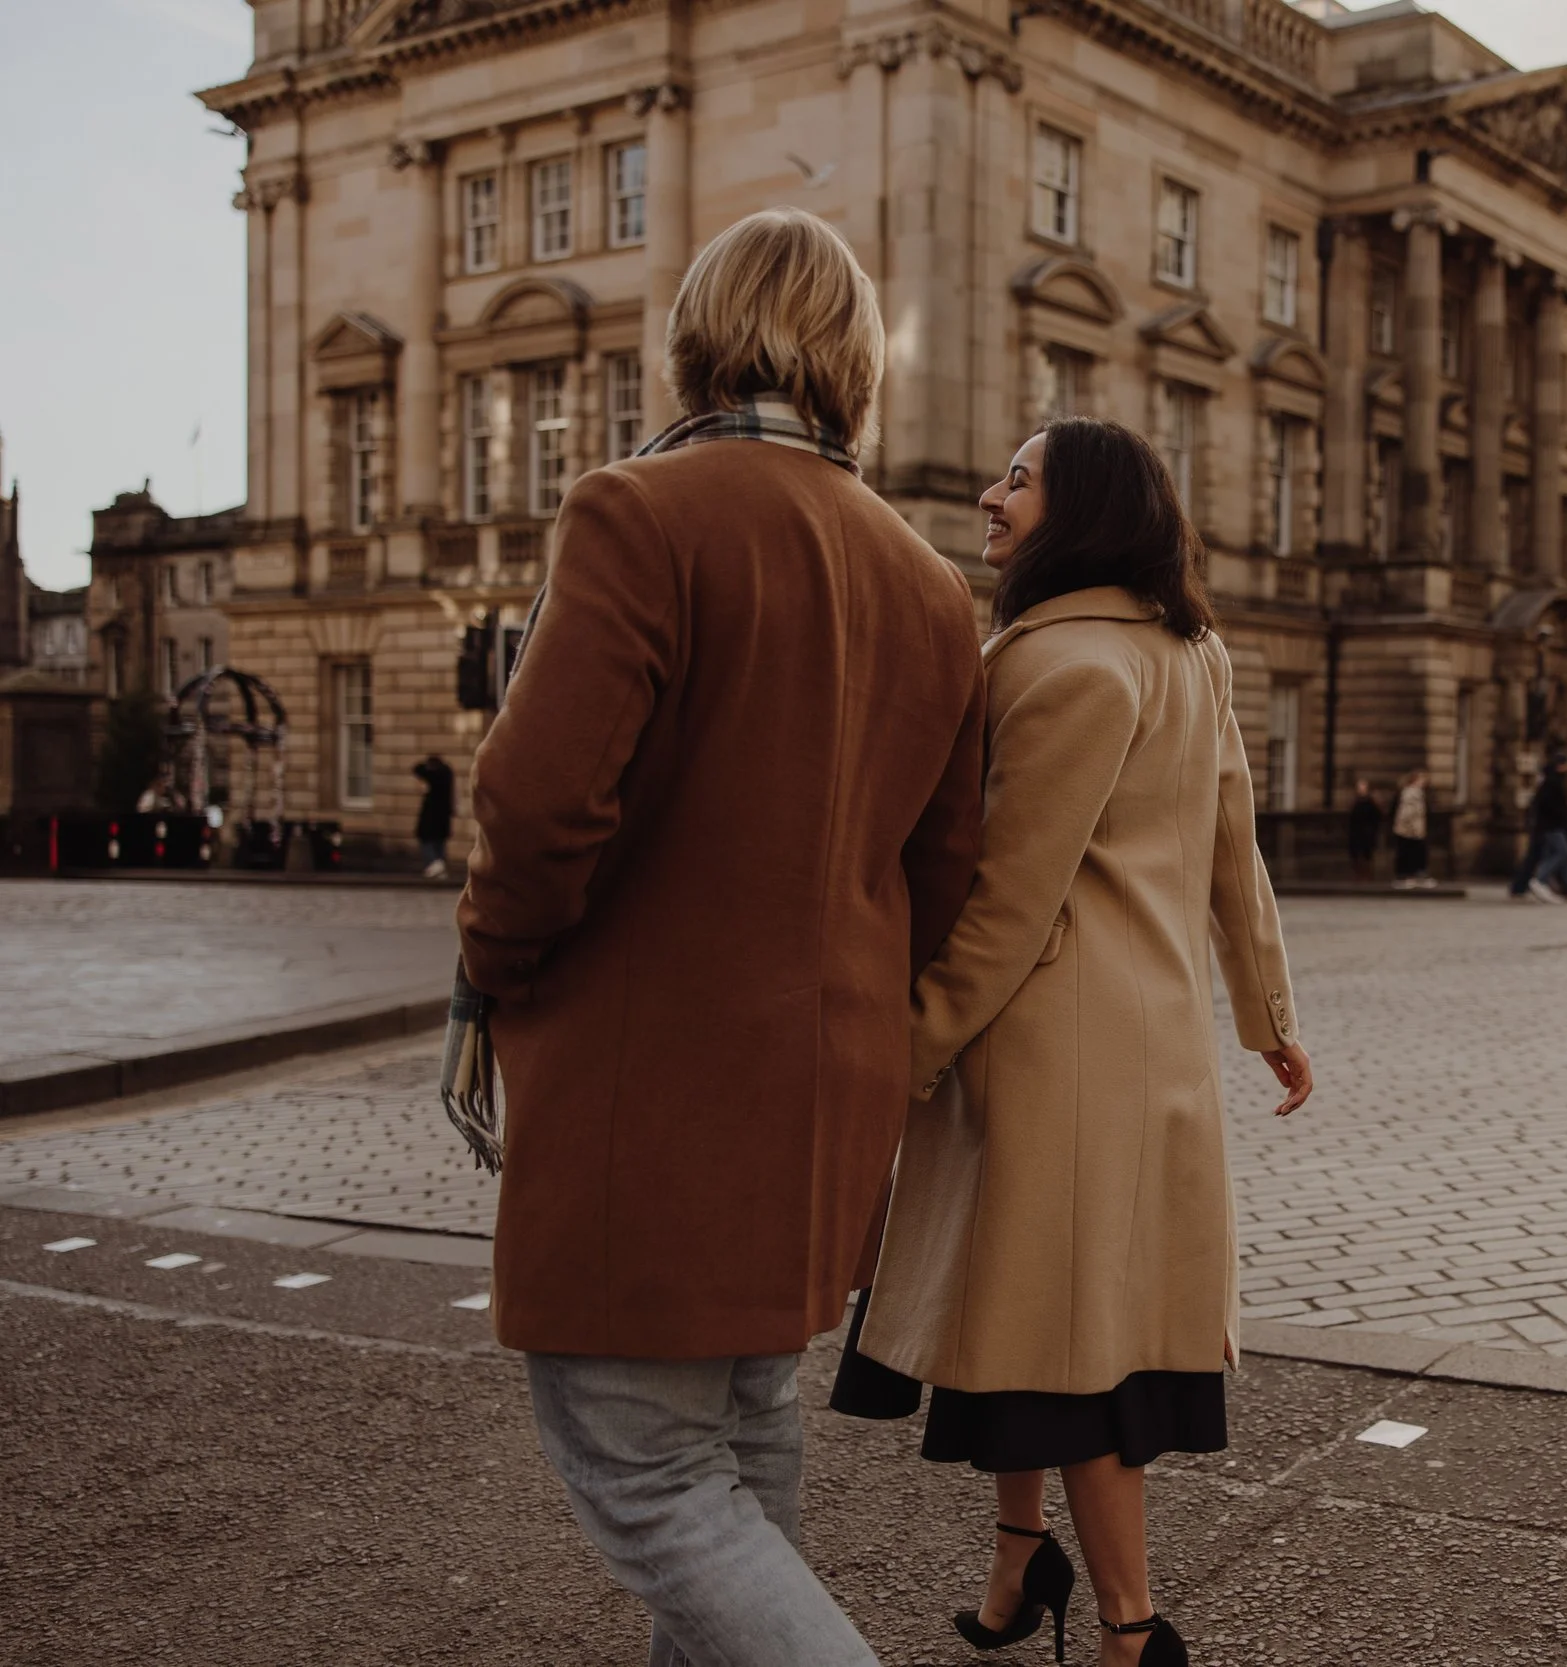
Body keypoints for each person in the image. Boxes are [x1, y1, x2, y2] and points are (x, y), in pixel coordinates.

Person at [456, 208, 987, 1667]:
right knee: (744, 1453)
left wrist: (492, 968)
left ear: (696, 334)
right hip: (823, 1105)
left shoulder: (641, 511)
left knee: (651, 1478)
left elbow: (536, 803)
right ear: (854, 361)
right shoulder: (932, 584)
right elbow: (942, 874)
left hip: (656, 1093)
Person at [837, 417, 1314, 1667]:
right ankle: (1018, 1558)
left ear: (1085, 507)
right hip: (1147, 1041)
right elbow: (1234, 850)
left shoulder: (1062, 666)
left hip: (1047, 1048)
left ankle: (1132, 1627)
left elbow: (1010, 896)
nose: (990, 496)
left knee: (1074, 1350)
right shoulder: (1190, 650)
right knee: (1022, 1319)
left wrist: (911, 1046)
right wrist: (1268, 1015)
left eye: (1019, 478)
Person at [1509, 759, 1567, 903]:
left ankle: (1561, 885)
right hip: (1551, 827)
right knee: (1562, 852)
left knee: (1543, 855)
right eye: (1564, 765)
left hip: (1547, 827)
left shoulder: (1549, 784)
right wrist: (1563, 814)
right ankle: (1540, 880)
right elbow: (1550, 807)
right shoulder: (1552, 785)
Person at [412, 754, 455, 879]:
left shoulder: (433, 777)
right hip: (443, 817)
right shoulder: (447, 775)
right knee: (440, 843)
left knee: (426, 841)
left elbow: (417, 768)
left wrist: (427, 766)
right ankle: (441, 867)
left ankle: (434, 864)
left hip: (430, 817)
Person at [1390, 768, 1433, 889]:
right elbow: (1407, 814)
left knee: (1413, 854)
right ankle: (1407, 877)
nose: (1424, 782)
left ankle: (1413, 876)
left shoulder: (1415, 793)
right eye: (1422, 779)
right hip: (1410, 830)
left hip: (1412, 829)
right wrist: (1413, 829)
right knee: (1410, 854)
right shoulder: (1411, 793)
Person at [1346, 777, 1384, 882]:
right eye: (1359, 787)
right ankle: (1357, 874)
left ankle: (1367, 874)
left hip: (1368, 831)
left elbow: (1377, 816)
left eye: (1363, 787)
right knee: (1355, 854)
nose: (1361, 789)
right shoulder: (1355, 801)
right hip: (1356, 831)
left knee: (1367, 853)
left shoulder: (1372, 801)